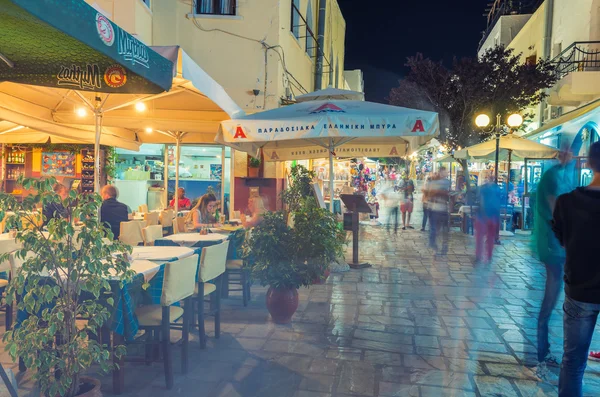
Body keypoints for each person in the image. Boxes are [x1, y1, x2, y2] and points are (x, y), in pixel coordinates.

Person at [553, 142, 600, 396]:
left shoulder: (566, 202)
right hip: (580, 290)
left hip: (580, 289)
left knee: (573, 361)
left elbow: (562, 240)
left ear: (589, 163)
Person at [533, 146, 575, 383]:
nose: (569, 155)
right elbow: (554, 209)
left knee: (557, 297)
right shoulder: (552, 176)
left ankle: (546, 351)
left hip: (560, 245)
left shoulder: (565, 174)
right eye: (566, 150)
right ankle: (542, 352)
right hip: (553, 244)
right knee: (551, 299)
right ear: (560, 153)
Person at [475, 176, 501, 264]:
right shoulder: (497, 189)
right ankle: (489, 256)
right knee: (490, 237)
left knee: (480, 238)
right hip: (493, 216)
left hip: (483, 216)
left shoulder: (482, 188)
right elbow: (499, 203)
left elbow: (480, 201)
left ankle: (479, 255)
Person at [428, 167, 450, 255]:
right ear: (441, 173)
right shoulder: (435, 183)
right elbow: (431, 194)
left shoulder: (447, 182)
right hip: (435, 209)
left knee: (443, 229)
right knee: (435, 229)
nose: (446, 173)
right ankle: (434, 245)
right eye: (445, 172)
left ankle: (441, 246)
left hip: (443, 209)